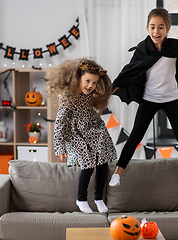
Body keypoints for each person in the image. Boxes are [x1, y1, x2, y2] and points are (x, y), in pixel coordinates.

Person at [108, 8, 178, 192]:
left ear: (168, 28)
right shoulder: (142, 49)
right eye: (153, 27)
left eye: (161, 27)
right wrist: (110, 90)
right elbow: (129, 72)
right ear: (147, 28)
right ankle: (117, 173)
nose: (156, 32)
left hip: (170, 98)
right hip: (149, 99)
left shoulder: (174, 47)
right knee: (135, 136)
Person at [46, 59, 117, 213]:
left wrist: (99, 99)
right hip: (77, 135)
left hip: (95, 131)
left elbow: (99, 106)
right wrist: (60, 147)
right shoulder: (67, 99)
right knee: (87, 164)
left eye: (94, 83)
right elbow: (59, 123)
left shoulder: (91, 94)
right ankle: (81, 198)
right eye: (87, 81)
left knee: (102, 163)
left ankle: (98, 197)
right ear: (77, 78)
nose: (90, 85)